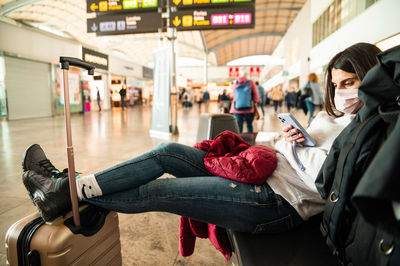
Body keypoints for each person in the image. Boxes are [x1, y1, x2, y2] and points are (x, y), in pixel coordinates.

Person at [21, 43, 381, 241]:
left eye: (349, 82)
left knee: (156, 192)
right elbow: (299, 152)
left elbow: (326, 181)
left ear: (371, 78)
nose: (340, 91)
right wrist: (291, 141)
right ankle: (69, 188)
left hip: (276, 203)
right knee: (166, 153)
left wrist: (298, 147)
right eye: (336, 84)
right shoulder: (334, 116)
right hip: (260, 177)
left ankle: (63, 189)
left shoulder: (373, 131)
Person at [229, 67, 259, 133]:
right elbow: (256, 96)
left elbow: (233, 96)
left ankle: (239, 140)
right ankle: (250, 141)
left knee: (239, 127)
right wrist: (255, 101)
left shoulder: (236, 83)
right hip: (249, 109)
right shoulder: (251, 83)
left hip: (237, 109)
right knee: (249, 125)